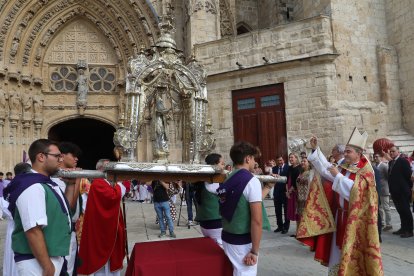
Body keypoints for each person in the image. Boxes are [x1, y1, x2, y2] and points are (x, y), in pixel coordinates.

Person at [302, 129, 382, 275]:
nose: (345, 154)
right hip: (340, 217)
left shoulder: (365, 171)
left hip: (356, 221)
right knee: (337, 253)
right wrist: (316, 150)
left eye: (348, 152)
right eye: (344, 151)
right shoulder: (344, 167)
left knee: (354, 256)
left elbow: (358, 193)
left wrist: (338, 176)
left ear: (358, 153)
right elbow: (327, 170)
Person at [3, 139, 72, 276]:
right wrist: (47, 267)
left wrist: (71, 185)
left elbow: (64, 213)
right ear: (41, 157)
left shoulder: (46, 184)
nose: (60, 160)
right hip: (36, 262)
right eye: (57, 156)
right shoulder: (32, 186)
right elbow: (33, 229)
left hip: (51, 257)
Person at [217, 141, 270, 275]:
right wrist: (254, 251)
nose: (254, 162)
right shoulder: (251, 181)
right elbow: (257, 220)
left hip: (228, 236)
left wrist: (268, 187)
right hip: (242, 241)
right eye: (253, 158)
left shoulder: (228, 178)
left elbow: (243, 202)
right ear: (247, 158)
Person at [78, 159, 126, 275]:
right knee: (102, 264)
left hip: (110, 228)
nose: (112, 171)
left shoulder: (107, 183)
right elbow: (113, 197)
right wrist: (119, 184)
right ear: (100, 169)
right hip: (103, 230)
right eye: (108, 168)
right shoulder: (99, 183)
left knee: (112, 263)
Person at [53, 142, 83, 276]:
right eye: (73, 155)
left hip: (70, 230)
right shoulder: (56, 178)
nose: (76, 159)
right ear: (62, 156)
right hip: (60, 231)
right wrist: (76, 179)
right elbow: (69, 206)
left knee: (70, 268)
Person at [2, 162, 31, 276]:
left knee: (11, 254)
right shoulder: (25, 186)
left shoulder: (9, 186)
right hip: (20, 226)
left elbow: (5, 207)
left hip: (12, 225)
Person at [194, 153, 225, 246]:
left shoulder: (203, 180)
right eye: (222, 164)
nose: (224, 166)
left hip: (204, 224)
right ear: (215, 165)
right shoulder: (214, 182)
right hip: (216, 223)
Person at [385, 146, 413, 238]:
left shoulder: (403, 161)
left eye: (393, 151)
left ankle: (409, 230)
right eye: (390, 152)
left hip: (403, 191)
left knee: (406, 211)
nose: (391, 153)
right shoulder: (391, 162)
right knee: (400, 211)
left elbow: (408, 176)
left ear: (398, 151)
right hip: (395, 191)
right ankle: (403, 228)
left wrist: (407, 189)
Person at [374, 153, 392, 231]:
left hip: (384, 189)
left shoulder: (384, 166)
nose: (375, 158)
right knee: (379, 207)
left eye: (377, 156)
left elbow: (388, 177)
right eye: (374, 156)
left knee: (386, 207)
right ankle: (382, 222)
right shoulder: (375, 165)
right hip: (377, 189)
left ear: (381, 157)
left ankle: (389, 224)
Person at [272, 156, 289, 233]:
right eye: (278, 160)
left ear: (283, 160)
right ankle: (280, 226)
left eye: (281, 160)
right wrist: (272, 175)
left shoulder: (288, 168)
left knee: (286, 210)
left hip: (285, 192)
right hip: (277, 192)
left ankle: (286, 227)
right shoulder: (274, 168)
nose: (280, 162)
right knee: (277, 210)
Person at [285, 152, 301, 234]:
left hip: (296, 193)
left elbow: (296, 183)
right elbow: (287, 180)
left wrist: (290, 191)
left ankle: (298, 232)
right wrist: (287, 191)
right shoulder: (290, 168)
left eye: (292, 157)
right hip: (290, 192)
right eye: (290, 157)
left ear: (296, 158)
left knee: (297, 212)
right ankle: (297, 231)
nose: (290, 159)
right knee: (294, 212)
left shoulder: (299, 168)